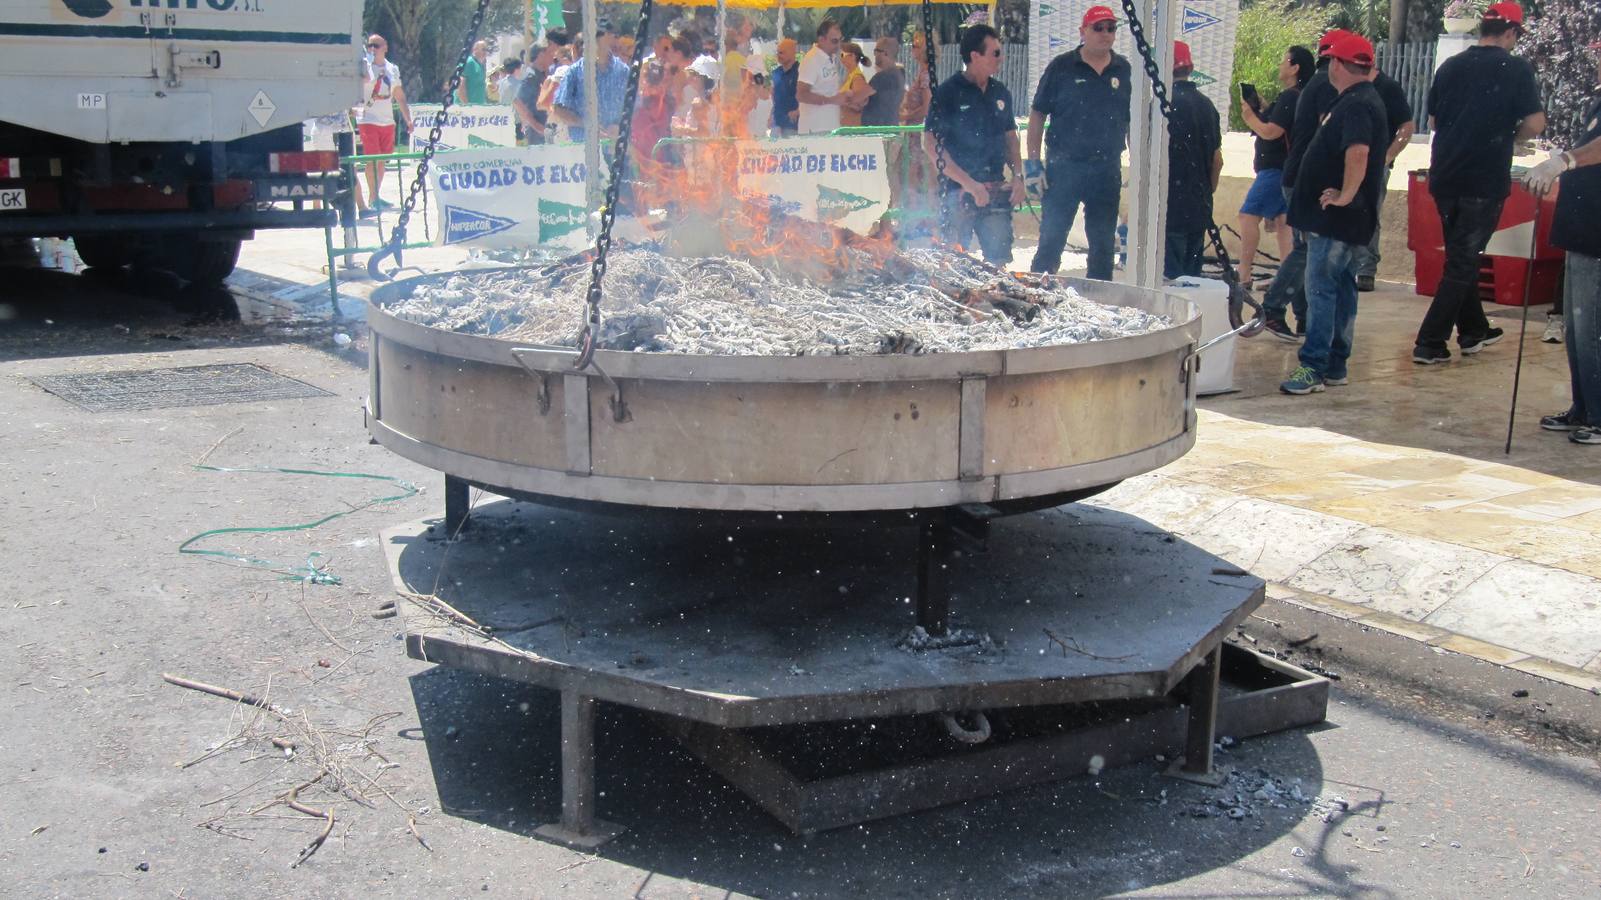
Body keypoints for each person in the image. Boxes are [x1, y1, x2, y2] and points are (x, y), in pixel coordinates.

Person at [1413, 2, 1545, 365]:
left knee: (1461, 255)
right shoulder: (1515, 68)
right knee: (1462, 262)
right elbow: (1535, 123)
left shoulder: (1451, 65)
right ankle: (1430, 341)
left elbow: (1436, 119)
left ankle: (1474, 331)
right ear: (1510, 32)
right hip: (1483, 179)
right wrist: (1510, 136)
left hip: (1445, 175)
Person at [1278, 32, 1389, 396]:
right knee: (1341, 288)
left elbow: (1357, 152)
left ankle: (1314, 365)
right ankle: (1336, 364)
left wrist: (1345, 195)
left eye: (1330, 63)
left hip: (1338, 219)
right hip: (1343, 217)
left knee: (1322, 289)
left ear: (1338, 65)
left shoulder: (1357, 104)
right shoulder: (1358, 99)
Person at [1528, 38, 1601, 445]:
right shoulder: (1595, 102)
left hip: (1597, 231)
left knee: (1591, 327)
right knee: (1575, 326)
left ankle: (1599, 414)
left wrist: (1566, 161)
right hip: (1580, 226)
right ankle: (1583, 407)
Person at [1027, 6, 1133, 279]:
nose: (1105, 34)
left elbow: (1131, 121)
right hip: (1064, 166)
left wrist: (1138, 169)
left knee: (1102, 245)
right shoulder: (1062, 66)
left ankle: (1099, 305)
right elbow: (1038, 114)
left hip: (1106, 168)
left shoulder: (1124, 70)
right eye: (1098, 28)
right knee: (1052, 239)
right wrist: (1033, 164)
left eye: (1111, 28)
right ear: (1083, 32)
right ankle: (1037, 296)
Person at [1259, 29, 1349, 342]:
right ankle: (1271, 307)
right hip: (1306, 180)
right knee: (1307, 249)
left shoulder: (1316, 85)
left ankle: (1302, 318)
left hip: (1299, 177)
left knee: (1305, 248)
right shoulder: (1327, 86)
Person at [923, 24, 1025, 266]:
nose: (1001, 58)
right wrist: (969, 183)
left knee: (998, 264)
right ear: (975, 56)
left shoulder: (1001, 93)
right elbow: (930, 143)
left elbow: (1011, 138)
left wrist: (1019, 177)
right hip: (957, 193)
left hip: (995, 191)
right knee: (953, 263)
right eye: (996, 53)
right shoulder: (948, 92)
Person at [1238, 46, 1314, 288]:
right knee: (1283, 224)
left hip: (1274, 169)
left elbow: (1272, 132)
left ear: (1295, 67)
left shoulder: (1291, 97)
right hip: (1286, 168)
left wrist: (1250, 117)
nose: (1280, 65)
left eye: (1284, 61)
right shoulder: (1298, 96)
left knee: (1248, 215)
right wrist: (1263, 109)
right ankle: (1285, 276)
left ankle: (1243, 274)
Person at [1354, 63, 1416, 291]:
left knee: (1369, 214)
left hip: (1374, 164)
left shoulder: (1388, 88)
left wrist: (1387, 157)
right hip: (1348, 160)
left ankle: (1366, 269)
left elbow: (1406, 126)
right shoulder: (1351, 87)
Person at [1163, 42, 1223, 280]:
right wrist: (1207, 192)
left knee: (1169, 284)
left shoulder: (1161, 104)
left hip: (1168, 207)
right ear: (1191, 67)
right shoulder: (1207, 106)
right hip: (1198, 208)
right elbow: (1217, 160)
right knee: (1193, 282)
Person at [357, 34, 410, 216]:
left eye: (376, 45)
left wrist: (408, 119)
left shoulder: (392, 69)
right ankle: (372, 197)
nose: (372, 48)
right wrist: (369, 65)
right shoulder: (364, 65)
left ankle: (375, 196)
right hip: (368, 118)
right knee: (372, 159)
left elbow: (399, 95)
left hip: (387, 120)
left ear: (385, 47)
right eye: (369, 45)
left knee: (382, 160)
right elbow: (358, 83)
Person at [552, 19, 630, 143]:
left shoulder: (623, 71)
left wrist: (619, 125)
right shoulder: (575, 72)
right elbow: (559, 109)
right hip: (584, 148)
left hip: (614, 148)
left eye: (599, 37)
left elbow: (632, 106)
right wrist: (586, 124)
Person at [797, 19, 845, 134]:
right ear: (821, 39)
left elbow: (828, 90)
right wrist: (831, 100)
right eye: (834, 41)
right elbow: (801, 94)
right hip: (814, 128)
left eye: (840, 40)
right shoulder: (812, 60)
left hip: (830, 127)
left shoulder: (831, 58)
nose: (838, 45)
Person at [514, 42, 558, 144]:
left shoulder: (541, 75)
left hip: (545, 131)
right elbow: (519, 104)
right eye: (550, 53)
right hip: (535, 135)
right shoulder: (530, 77)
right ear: (541, 55)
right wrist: (539, 128)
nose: (553, 56)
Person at [862, 37, 906, 128]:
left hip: (877, 131)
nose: (874, 55)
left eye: (876, 51)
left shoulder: (882, 77)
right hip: (891, 126)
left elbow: (860, 97)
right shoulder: (899, 74)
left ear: (886, 53)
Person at [770, 37, 800, 137]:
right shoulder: (776, 73)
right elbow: (775, 98)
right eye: (777, 53)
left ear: (792, 53)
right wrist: (771, 115)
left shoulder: (800, 72)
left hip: (793, 126)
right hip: (776, 124)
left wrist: (798, 111)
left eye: (782, 53)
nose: (778, 56)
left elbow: (806, 96)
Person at [838, 42, 870, 128]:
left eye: (842, 55)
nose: (841, 58)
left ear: (853, 56)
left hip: (852, 126)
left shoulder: (857, 77)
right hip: (845, 125)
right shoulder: (849, 76)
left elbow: (859, 104)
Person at [459, 40, 489, 105]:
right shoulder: (469, 62)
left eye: (486, 50)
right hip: (466, 109)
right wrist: (466, 106)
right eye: (483, 49)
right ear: (475, 50)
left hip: (478, 108)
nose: (485, 52)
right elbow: (460, 86)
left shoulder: (480, 65)